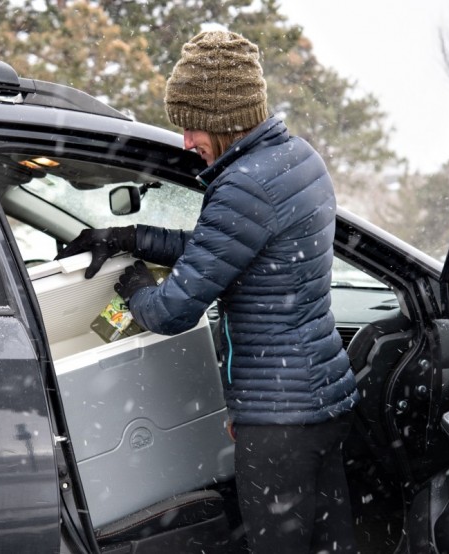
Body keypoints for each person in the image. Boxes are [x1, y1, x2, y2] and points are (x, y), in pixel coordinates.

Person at [57, 30, 359, 553]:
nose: (185, 142)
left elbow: (171, 311)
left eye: (191, 125)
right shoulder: (295, 160)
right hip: (322, 398)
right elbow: (222, 246)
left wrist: (133, 285)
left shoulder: (244, 185)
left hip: (277, 417)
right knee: (332, 544)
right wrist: (131, 237)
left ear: (224, 119)